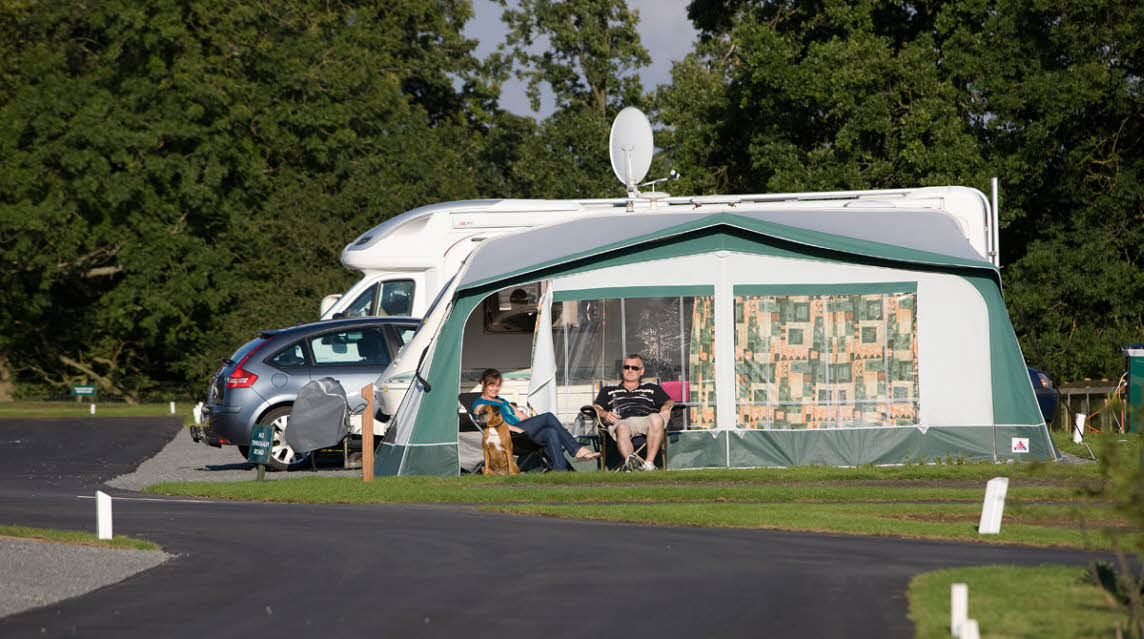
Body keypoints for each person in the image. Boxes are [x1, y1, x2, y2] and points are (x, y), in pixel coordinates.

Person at [473, 369, 599, 471]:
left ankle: (562, 473)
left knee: (550, 430)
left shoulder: (503, 401)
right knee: (548, 416)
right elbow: (488, 422)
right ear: (483, 384)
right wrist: (516, 429)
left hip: (523, 434)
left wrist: (536, 425)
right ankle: (576, 450)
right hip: (510, 436)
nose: (495, 389)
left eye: (497, 386)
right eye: (491, 385)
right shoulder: (479, 404)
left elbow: (523, 417)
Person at [593, 354, 673, 472]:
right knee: (622, 427)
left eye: (634, 368)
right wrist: (605, 414)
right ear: (622, 370)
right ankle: (631, 463)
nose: (630, 370)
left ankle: (648, 464)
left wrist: (665, 408)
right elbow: (596, 407)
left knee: (656, 418)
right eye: (627, 367)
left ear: (641, 371)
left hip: (646, 420)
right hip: (622, 421)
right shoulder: (609, 389)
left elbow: (669, 401)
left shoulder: (651, 387)